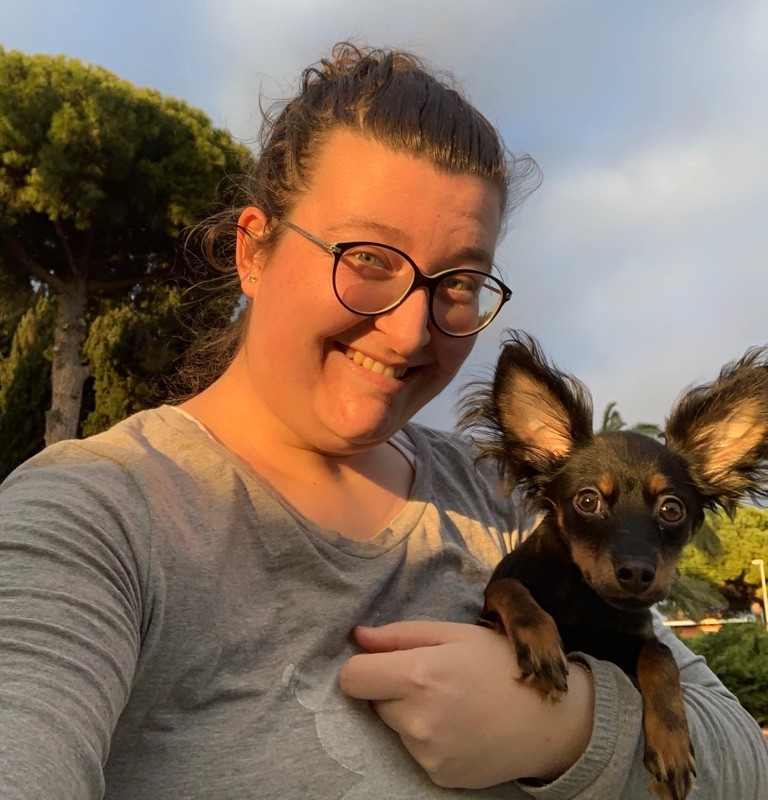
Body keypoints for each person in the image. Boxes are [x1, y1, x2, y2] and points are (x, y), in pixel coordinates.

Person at [0, 44, 765, 800]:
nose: (408, 333)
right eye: (367, 258)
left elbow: (742, 764)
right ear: (254, 251)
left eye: (458, 282)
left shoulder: (502, 499)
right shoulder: (93, 517)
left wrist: (564, 732)